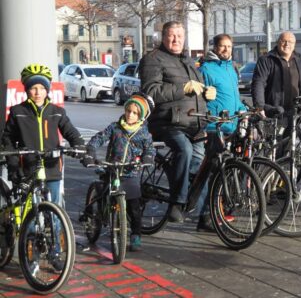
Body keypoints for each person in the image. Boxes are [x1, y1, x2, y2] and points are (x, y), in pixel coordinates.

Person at [139, 21, 217, 224]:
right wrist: (184, 88)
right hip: (166, 122)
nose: (176, 40)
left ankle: (205, 217)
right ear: (163, 37)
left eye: (180, 37)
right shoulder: (152, 59)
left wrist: (208, 95)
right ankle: (177, 202)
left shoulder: (189, 61)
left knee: (202, 167)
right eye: (172, 36)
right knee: (185, 150)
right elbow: (151, 92)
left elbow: (195, 92)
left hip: (194, 123)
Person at [2, 63, 85, 207]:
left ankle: (56, 227)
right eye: (33, 88)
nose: (38, 92)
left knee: (55, 208)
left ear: (47, 90)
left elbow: (70, 132)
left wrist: (79, 145)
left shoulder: (56, 111)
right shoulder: (17, 111)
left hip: (52, 167)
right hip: (27, 167)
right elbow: (8, 139)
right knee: (30, 210)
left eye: (42, 88)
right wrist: (13, 165)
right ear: (27, 90)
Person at [83, 94, 157, 250]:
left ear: (140, 116)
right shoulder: (115, 127)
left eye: (135, 113)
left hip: (131, 173)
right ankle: (90, 214)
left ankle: (135, 236)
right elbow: (98, 138)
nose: (130, 115)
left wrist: (148, 158)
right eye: (128, 111)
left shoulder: (143, 133)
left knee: (134, 208)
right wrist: (90, 152)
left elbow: (149, 148)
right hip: (113, 168)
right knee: (103, 193)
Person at [196, 33, 245, 231]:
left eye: (229, 46)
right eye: (222, 46)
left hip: (231, 126)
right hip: (214, 126)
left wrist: (244, 108)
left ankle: (218, 210)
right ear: (215, 48)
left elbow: (234, 97)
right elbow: (200, 96)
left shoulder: (232, 69)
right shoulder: (207, 68)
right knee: (213, 172)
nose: (226, 50)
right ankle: (206, 215)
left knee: (224, 170)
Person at [252, 31, 301, 136]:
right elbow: (258, 83)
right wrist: (259, 107)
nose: (287, 44)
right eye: (284, 41)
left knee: (292, 147)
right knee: (274, 148)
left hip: (294, 113)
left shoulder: (299, 61)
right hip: (274, 112)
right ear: (278, 42)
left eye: (290, 42)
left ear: (294, 44)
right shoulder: (266, 60)